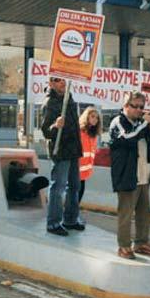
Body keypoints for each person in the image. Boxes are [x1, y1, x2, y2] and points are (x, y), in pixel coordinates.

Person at [109, 92, 150, 259]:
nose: (139, 110)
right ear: (126, 106)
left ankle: (141, 242)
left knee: (145, 212)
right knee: (126, 212)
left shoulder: (141, 124)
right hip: (126, 174)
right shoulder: (118, 121)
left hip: (143, 173)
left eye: (142, 106)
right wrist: (145, 125)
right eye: (136, 106)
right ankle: (124, 245)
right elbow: (128, 138)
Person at [40, 75, 83, 236]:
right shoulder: (49, 103)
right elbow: (46, 131)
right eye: (58, 80)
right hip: (61, 150)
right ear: (51, 83)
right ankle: (53, 223)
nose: (62, 82)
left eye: (64, 79)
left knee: (75, 186)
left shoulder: (69, 98)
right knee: (58, 188)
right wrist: (55, 126)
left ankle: (70, 219)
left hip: (73, 150)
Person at [78, 106, 102, 208]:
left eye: (96, 118)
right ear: (86, 118)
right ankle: (71, 216)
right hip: (76, 169)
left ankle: (73, 215)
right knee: (76, 194)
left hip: (84, 172)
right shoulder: (80, 132)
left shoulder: (93, 135)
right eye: (92, 116)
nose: (95, 119)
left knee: (80, 193)